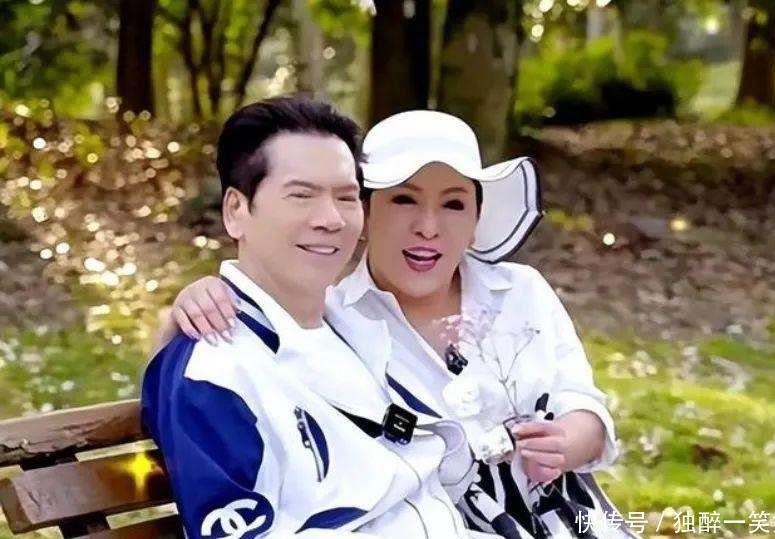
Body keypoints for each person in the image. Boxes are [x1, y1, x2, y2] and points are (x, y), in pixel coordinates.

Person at [162, 110, 636, 539]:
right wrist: (189, 311)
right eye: (404, 200)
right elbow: (227, 364)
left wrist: (568, 440)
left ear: (476, 218)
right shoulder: (340, 320)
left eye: (454, 205)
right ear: (369, 214)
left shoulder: (519, 291)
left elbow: (582, 401)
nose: (428, 227)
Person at [142, 98, 489, 539]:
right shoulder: (216, 370)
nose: (331, 219)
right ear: (236, 211)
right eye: (301, 196)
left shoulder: (357, 327)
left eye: (346, 197)